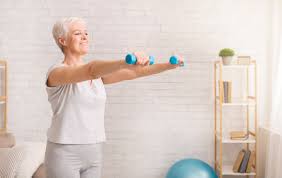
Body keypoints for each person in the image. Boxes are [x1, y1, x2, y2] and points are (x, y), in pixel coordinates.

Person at [44, 17, 184, 178]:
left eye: (86, 33)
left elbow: (134, 72)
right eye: (77, 33)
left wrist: (169, 65)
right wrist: (125, 61)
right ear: (62, 40)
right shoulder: (57, 72)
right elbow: (90, 69)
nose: (85, 37)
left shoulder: (97, 77)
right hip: (64, 153)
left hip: (94, 150)